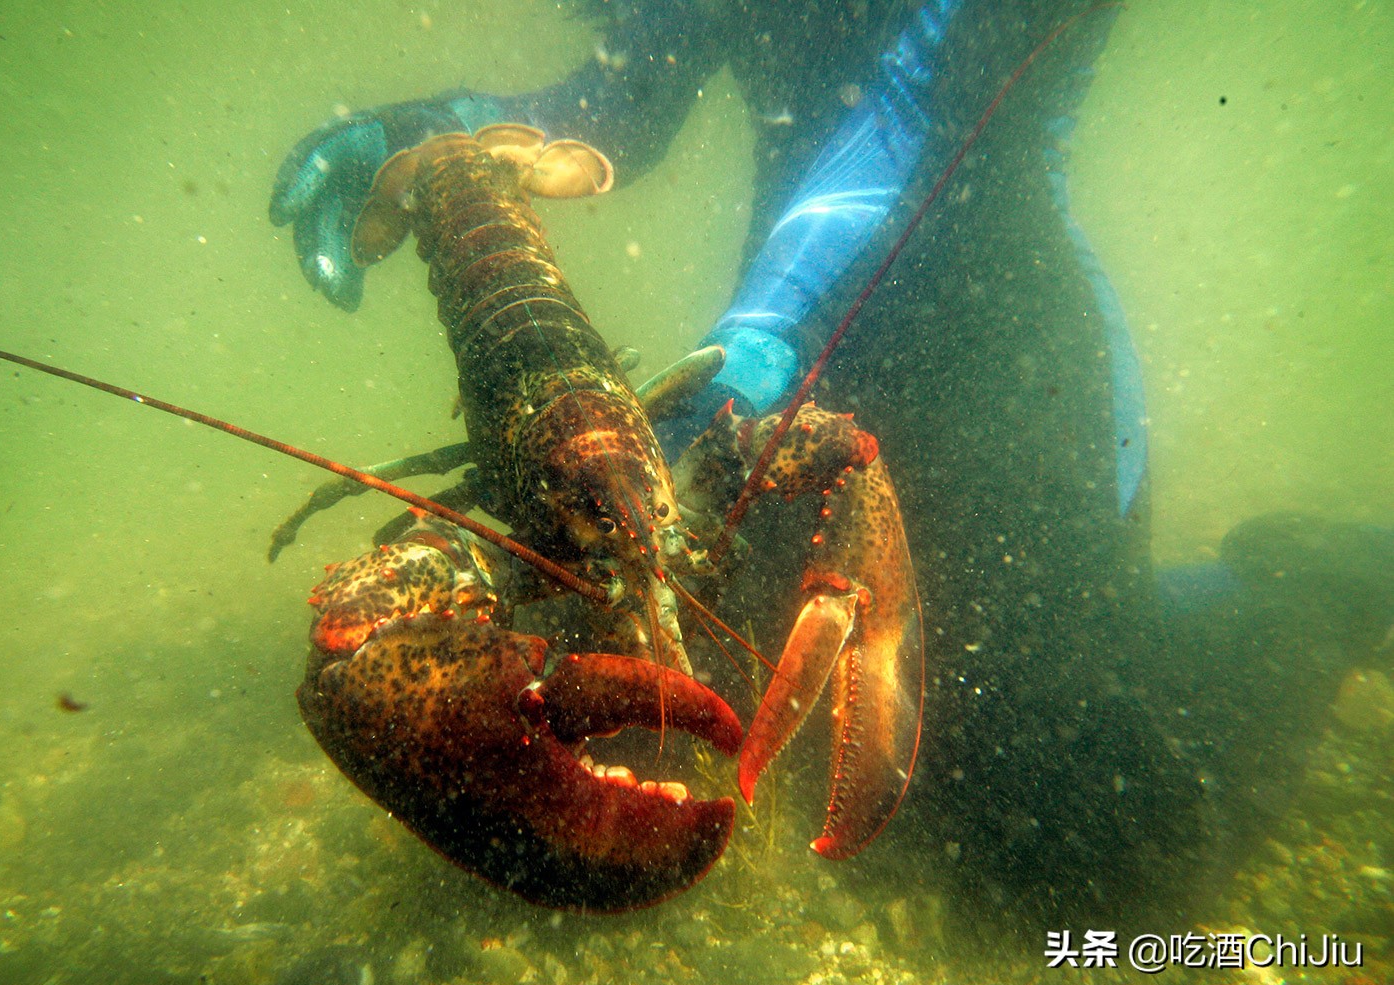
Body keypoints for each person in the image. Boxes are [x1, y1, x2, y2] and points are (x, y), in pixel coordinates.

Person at [269, 0, 1392, 930]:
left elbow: (918, 113)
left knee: (1073, 843)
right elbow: (626, 100)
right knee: (601, 643)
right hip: (770, 375)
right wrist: (432, 128)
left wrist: (762, 340)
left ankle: (1320, 583)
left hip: (1001, 348)